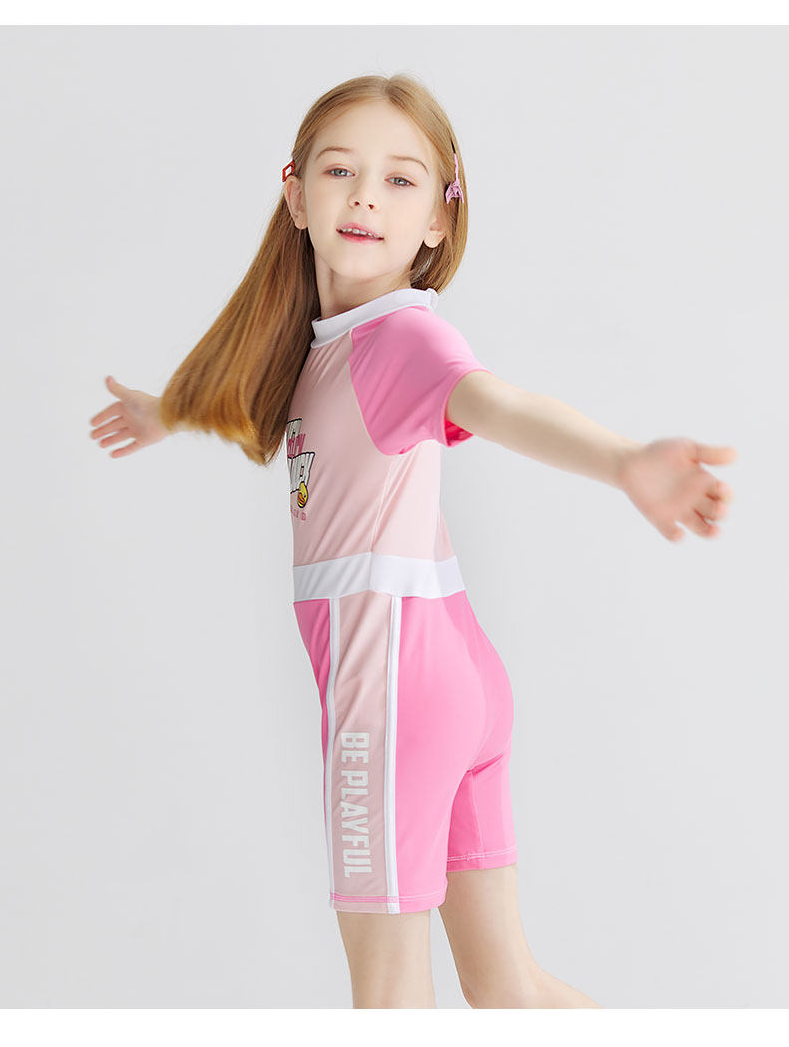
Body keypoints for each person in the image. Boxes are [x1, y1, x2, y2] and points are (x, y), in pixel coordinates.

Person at [88, 73, 736, 1009]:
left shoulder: (402, 342)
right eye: (341, 170)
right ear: (294, 193)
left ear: (439, 217)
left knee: (390, 996)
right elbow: (255, 398)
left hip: (391, 693)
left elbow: (498, 403)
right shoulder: (327, 346)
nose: (365, 197)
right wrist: (168, 409)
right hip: (456, 679)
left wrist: (623, 459)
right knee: (508, 987)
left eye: (401, 180)